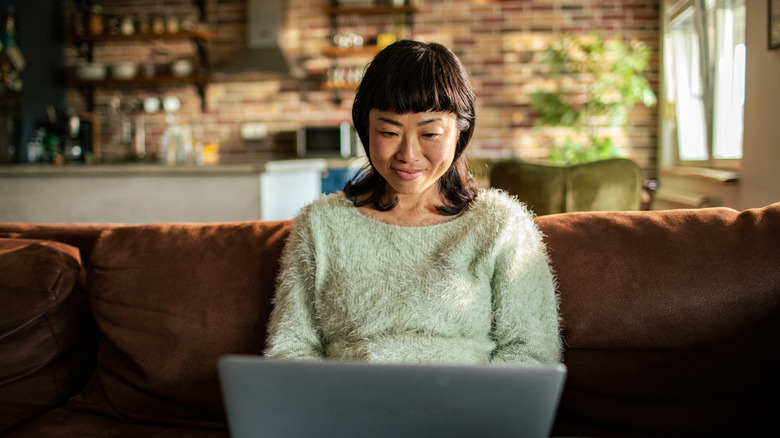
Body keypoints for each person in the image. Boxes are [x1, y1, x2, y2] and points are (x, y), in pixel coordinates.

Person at [264, 40, 561, 365]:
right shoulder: (320, 225)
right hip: (352, 408)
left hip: (467, 409)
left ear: (460, 133)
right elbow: (290, 350)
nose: (408, 155)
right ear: (366, 130)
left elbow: (532, 353)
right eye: (389, 133)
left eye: (430, 134)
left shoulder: (501, 225)